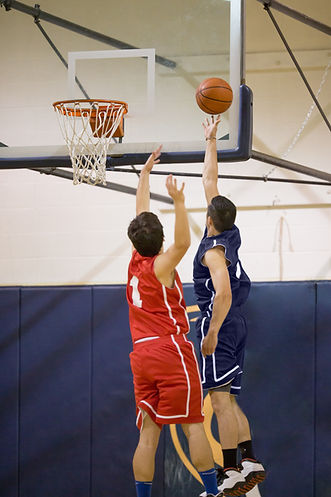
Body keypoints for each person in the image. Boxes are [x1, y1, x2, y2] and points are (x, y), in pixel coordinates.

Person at [126, 146, 223, 497]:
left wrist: (144, 174)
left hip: (141, 356)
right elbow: (183, 241)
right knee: (193, 425)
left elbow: (141, 214)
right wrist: (179, 200)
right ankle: (213, 494)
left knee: (148, 433)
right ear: (159, 239)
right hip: (169, 351)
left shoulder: (136, 259)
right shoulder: (160, 265)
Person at [194, 117, 266, 497]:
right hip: (238, 322)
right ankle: (250, 459)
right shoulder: (229, 231)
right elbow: (211, 181)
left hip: (220, 323)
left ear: (209, 220)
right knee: (231, 398)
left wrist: (211, 333)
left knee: (219, 400)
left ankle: (230, 471)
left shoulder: (212, 252)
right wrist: (210, 141)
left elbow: (220, 295)